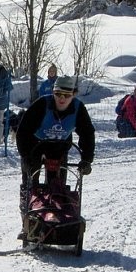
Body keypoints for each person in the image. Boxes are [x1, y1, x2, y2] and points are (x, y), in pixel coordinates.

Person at [15, 75, 96, 237]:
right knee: (31, 184)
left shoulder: (78, 109)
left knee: (56, 186)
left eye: (66, 95)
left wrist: (86, 159)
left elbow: (87, 134)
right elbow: (23, 131)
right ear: (53, 92)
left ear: (74, 94)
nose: (62, 99)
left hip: (59, 147)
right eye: (58, 94)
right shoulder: (41, 105)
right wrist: (26, 157)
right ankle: (28, 223)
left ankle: (55, 223)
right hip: (34, 145)